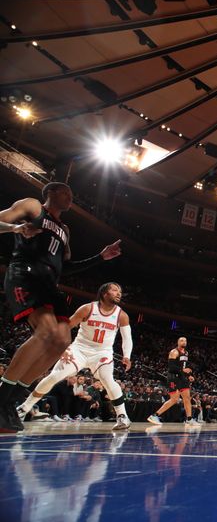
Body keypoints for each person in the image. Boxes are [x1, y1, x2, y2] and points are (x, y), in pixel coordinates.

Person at [0, 182, 121, 432]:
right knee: (45, 333)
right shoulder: (32, 206)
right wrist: (15, 227)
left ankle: (11, 400)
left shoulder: (65, 229)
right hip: (26, 273)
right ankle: (2, 398)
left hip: (50, 284)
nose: (71, 196)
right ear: (50, 193)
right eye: (66, 192)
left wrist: (100, 257)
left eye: (72, 193)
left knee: (61, 341)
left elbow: (65, 268)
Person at [16, 282, 133, 431]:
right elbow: (66, 326)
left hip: (102, 352)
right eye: (115, 290)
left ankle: (122, 416)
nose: (119, 293)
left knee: (107, 379)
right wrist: (62, 347)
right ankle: (24, 408)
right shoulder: (88, 308)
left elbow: (127, 338)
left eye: (120, 291)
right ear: (105, 293)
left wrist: (127, 356)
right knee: (55, 376)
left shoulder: (121, 315)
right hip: (79, 349)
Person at [147, 337, 197, 425]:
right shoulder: (174, 352)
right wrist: (183, 371)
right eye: (182, 340)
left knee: (187, 398)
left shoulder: (186, 353)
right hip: (173, 377)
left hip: (182, 377)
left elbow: (183, 366)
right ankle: (154, 415)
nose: (184, 342)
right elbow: (171, 367)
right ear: (178, 342)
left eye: (185, 340)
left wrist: (189, 375)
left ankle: (189, 419)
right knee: (174, 399)